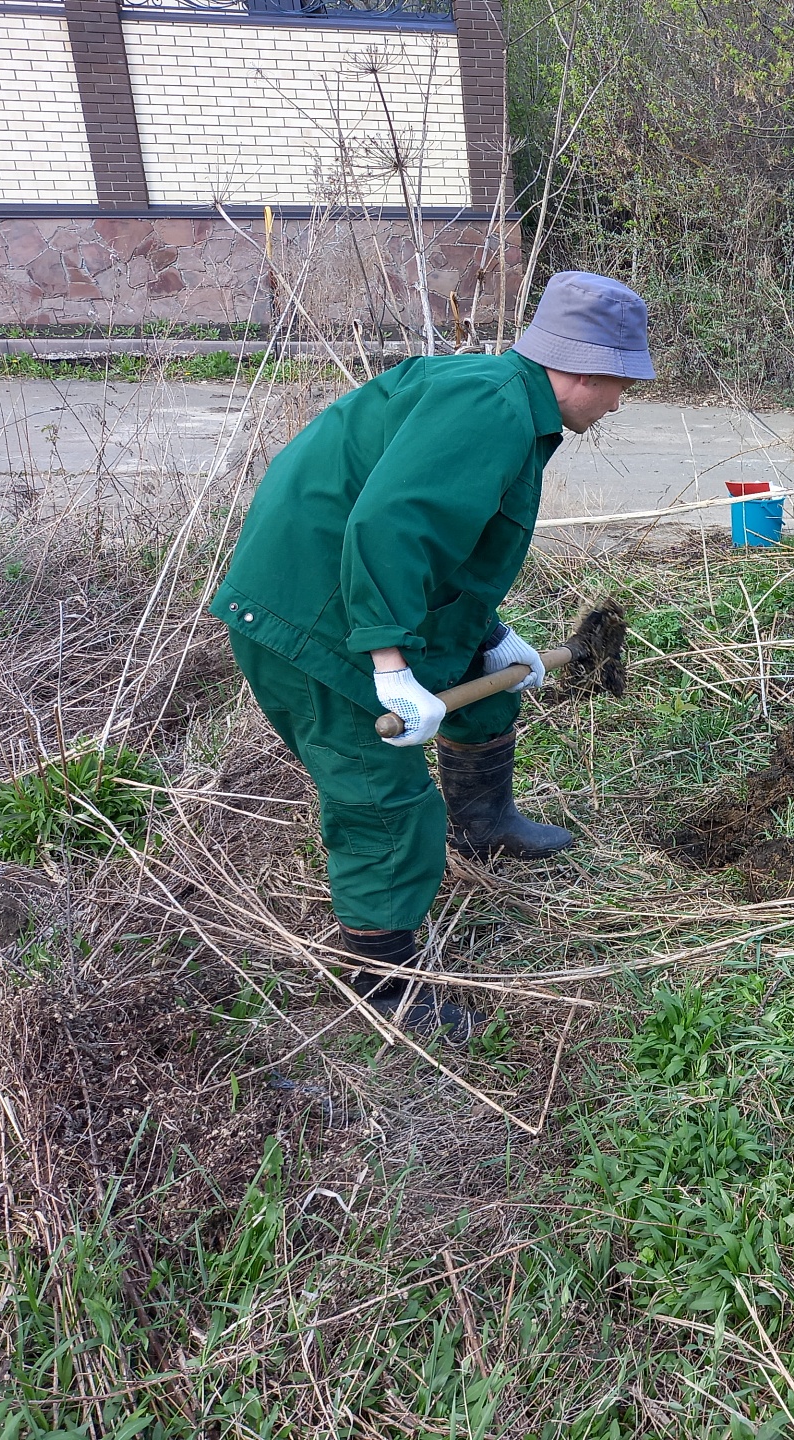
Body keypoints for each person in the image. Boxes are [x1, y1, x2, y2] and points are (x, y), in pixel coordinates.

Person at [210, 271, 653, 1035]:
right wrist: (389, 667)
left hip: (359, 589)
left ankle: (484, 824)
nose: (620, 402)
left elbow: (447, 546)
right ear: (584, 370)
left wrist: (487, 635)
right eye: (622, 384)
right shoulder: (490, 411)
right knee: (382, 801)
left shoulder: (508, 400)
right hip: (312, 615)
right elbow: (389, 529)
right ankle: (383, 984)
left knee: (487, 686)